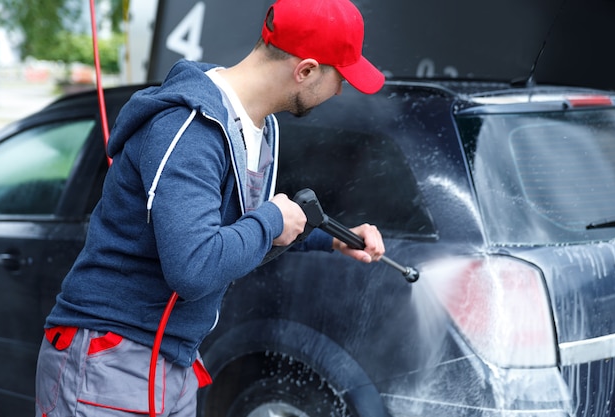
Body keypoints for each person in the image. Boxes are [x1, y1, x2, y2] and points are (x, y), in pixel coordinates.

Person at [35, 0, 386, 415]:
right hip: (110, 358)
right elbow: (195, 267)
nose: (342, 90)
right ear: (306, 70)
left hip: (175, 360)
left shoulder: (261, 129)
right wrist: (273, 219)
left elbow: (237, 235)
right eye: (339, 76)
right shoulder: (190, 128)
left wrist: (326, 237)